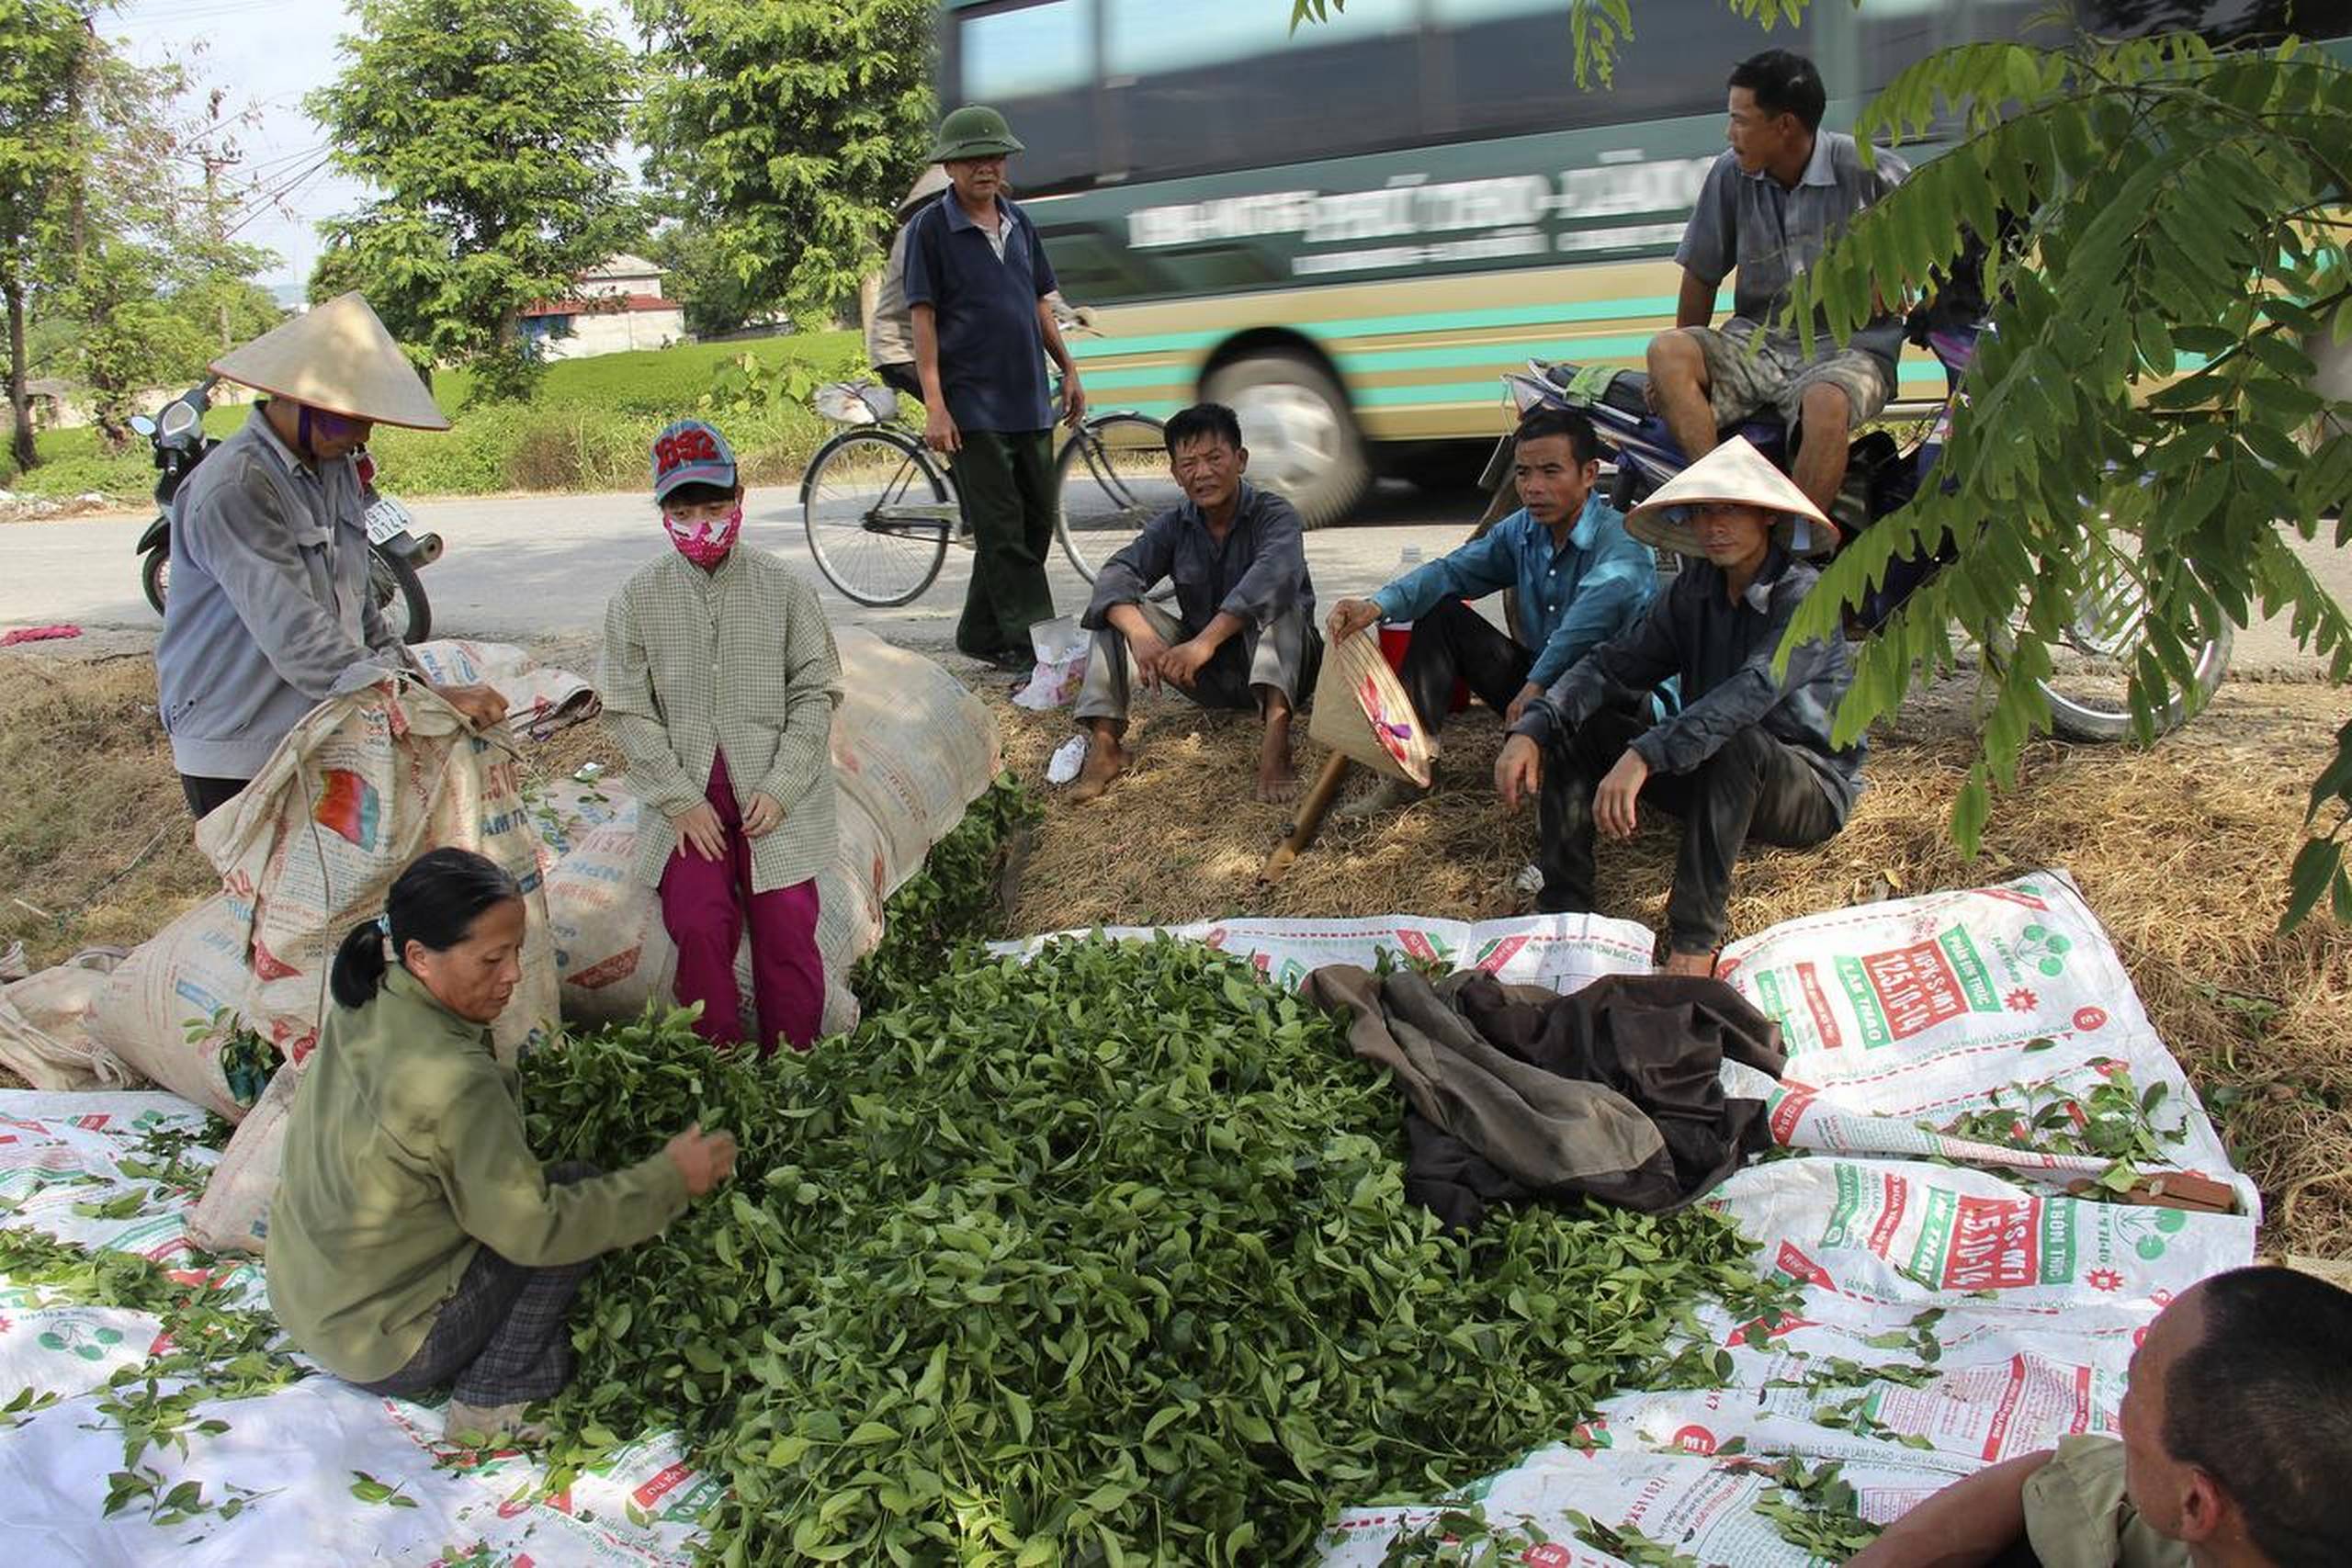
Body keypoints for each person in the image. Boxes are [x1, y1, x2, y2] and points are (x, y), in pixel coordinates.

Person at [268, 848, 741, 1446]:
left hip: (307, 1296)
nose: (514, 974)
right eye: (492, 958)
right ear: (420, 956)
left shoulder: (371, 993)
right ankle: (495, 1396)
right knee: (570, 1191)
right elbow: (533, 1231)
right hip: (383, 1345)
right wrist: (667, 1181)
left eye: (516, 950)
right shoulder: (457, 1081)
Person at [1494, 435, 1862, 976]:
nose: (1715, 525)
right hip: (1708, 774)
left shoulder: (1802, 595)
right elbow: (1613, 664)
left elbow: (1748, 693)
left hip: (1803, 785)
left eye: (1732, 510)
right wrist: (1536, 725)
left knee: (1740, 741)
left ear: (1766, 517)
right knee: (1580, 725)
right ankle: (1564, 908)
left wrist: (1645, 753)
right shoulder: (1694, 592)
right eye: (1704, 511)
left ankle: (1693, 942)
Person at [155, 293, 508, 819]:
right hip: (239, 743)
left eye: (369, 420)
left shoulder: (337, 468)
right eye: (350, 420)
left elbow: (360, 604)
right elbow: (298, 635)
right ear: (297, 400)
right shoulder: (235, 488)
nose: (363, 436)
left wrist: (418, 685)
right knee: (275, 899)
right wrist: (421, 699)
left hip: (324, 724)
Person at [600, 419, 843, 1055]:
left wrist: (785, 786)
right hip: (687, 798)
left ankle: (796, 1064)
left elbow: (815, 693)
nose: (701, 523)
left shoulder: (785, 589)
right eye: (684, 510)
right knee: (701, 923)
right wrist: (679, 799)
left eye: (714, 506)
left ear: (741, 499)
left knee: (788, 923)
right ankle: (722, 1066)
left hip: (772, 792)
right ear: (663, 513)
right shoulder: (637, 598)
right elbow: (627, 708)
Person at [1850, 1265, 2352, 1568]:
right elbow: (2059, 1482)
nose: (2120, 1412)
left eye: (2135, 1387)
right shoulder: (2253, 1523)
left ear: (2198, 1506)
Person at [1323, 405, 1657, 817]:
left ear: (1589, 474)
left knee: (1586, 698)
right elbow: (1451, 571)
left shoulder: (1622, 543)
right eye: (1523, 473)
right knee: (1439, 611)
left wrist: (1536, 687)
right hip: (1541, 688)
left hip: (1610, 701)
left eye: (1550, 471)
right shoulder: (1521, 530)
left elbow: (1584, 630)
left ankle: (1571, 775)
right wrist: (1376, 606)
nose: (1533, 487)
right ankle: (1411, 769)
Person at [1645, 49, 1910, 534]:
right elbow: (1702, 274)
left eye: (1740, 121)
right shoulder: (1730, 174)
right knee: (1666, 350)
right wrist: (1685, 371)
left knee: (1826, 404)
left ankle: (1795, 549)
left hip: (1849, 352)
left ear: (1784, 125)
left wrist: (1897, 271)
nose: (1730, 134)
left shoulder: (1871, 171)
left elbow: (1939, 241)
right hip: (1757, 345)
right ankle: (1718, 498)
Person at [904, 104, 1086, 672]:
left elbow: (1038, 302)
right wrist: (935, 404)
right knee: (1002, 529)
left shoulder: (1019, 221)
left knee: (1033, 524)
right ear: (951, 168)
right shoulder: (931, 229)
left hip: (1030, 400)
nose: (987, 166)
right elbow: (924, 319)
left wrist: (1069, 368)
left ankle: (980, 632)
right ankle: (1042, 650)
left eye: (995, 155)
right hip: (973, 408)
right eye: (973, 158)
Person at [1068, 401, 1318, 804]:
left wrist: (1204, 642)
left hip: (1285, 673)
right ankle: (1106, 746)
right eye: (1188, 464)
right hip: (1206, 676)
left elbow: (1275, 574)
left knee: (1279, 602)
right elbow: (1115, 575)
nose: (1202, 473)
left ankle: (1276, 737)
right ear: (1175, 473)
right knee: (1115, 612)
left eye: (1214, 458)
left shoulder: (1275, 515)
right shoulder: (1173, 525)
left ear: (1240, 460)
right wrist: (1141, 634)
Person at [866, 164, 952, 401]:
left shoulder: (948, 235)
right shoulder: (916, 233)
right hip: (899, 350)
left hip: (927, 346)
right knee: (964, 409)